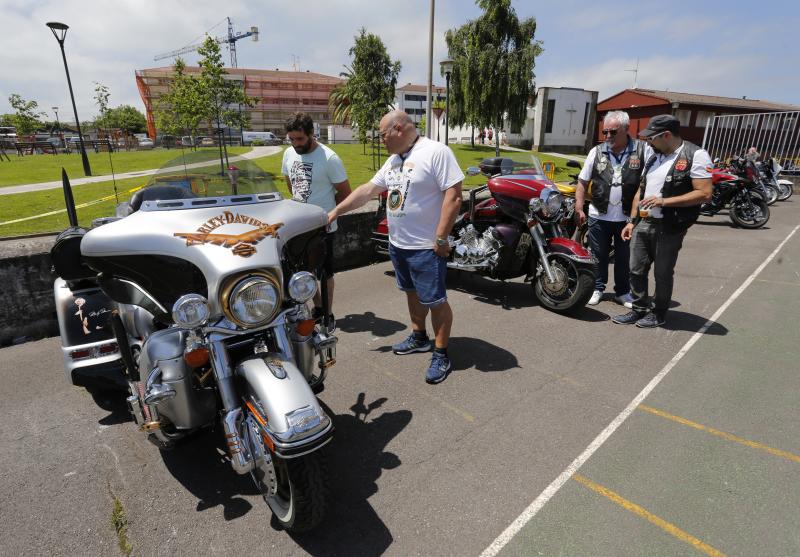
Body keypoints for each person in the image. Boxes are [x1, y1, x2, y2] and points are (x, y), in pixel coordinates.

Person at [328, 110, 464, 384]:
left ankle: (441, 353)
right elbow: (367, 190)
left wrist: (440, 238)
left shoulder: (436, 152)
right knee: (411, 293)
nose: (381, 140)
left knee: (436, 301)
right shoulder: (393, 161)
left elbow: (454, 196)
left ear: (398, 128)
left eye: (382, 135)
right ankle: (419, 336)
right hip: (399, 245)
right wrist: (334, 213)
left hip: (426, 247)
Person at [612, 114, 712, 328]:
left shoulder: (696, 155)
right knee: (635, 269)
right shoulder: (654, 156)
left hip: (670, 225)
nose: (648, 142)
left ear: (666, 135)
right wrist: (631, 221)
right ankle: (638, 309)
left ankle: (658, 313)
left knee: (662, 273)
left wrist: (664, 201)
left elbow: (704, 193)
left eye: (652, 138)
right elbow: (642, 190)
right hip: (643, 223)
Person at [282, 112, 351, 326]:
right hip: (298, 225)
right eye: (291, 139)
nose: (295, 144)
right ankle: (318, 306)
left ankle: (327, 314)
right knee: (302, 272)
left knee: (325, 272)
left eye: (300, 139)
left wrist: (328, 214)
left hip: (323, 227)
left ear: (312, 133)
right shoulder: (288, 153)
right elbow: (289, 181)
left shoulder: (329, 158)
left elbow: (345, 193)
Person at [575, 110, 645, 308]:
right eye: (605, 132)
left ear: (626, 129)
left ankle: (622, 292)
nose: (607, 137)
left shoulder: (641, 150)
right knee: (598, 255)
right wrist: (579, 207)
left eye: (612, 132)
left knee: (624, 258)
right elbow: (582, 181)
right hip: (598, 215)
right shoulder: (596, 151)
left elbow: (646, 182)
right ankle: (597, 288)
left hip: (625, 218)